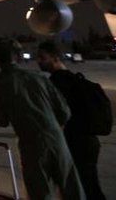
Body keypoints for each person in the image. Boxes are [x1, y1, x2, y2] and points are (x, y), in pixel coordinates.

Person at [0, 39, 84, 200]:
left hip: (31, 144)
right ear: (18, 57)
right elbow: (64, 112)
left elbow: (2, 121)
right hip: (57, 140)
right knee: (71, 189)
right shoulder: (39, 77)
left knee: (40, 192)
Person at [38, 40, 106, 200]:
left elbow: (55, 117)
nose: (39, 61)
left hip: (74, 143)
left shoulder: (56, 83)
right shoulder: (76, 80)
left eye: (43, 57)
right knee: (89, 186)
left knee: (82, 189)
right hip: (89, 141)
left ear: (55, 58)